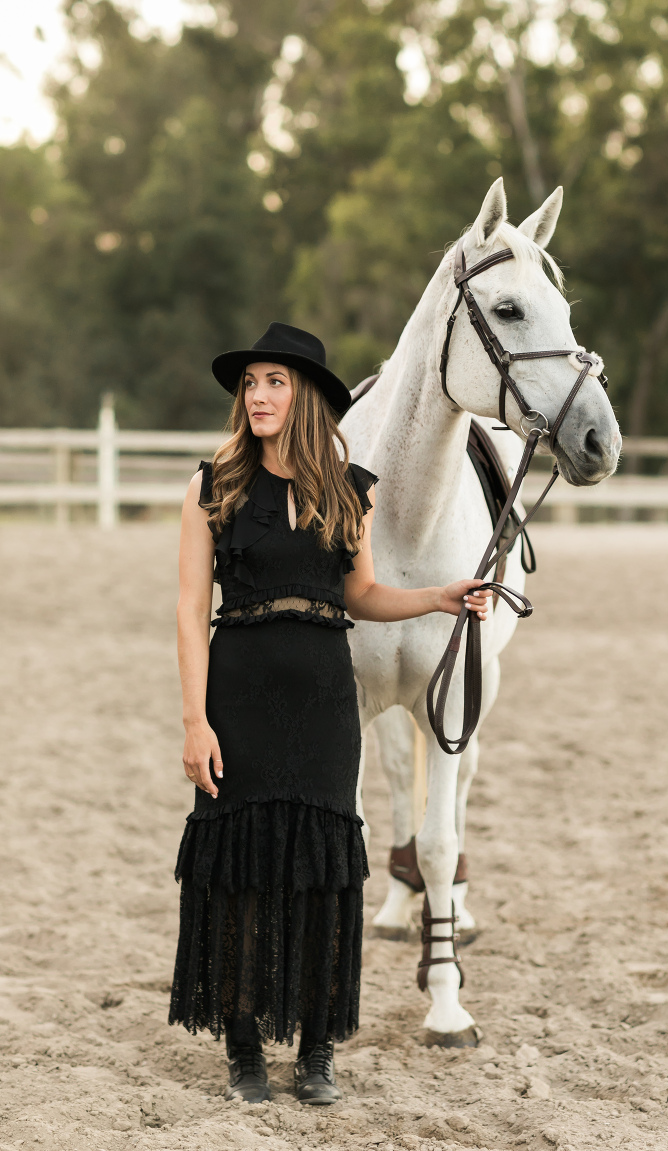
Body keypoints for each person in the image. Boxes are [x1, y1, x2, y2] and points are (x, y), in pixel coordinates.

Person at [168, 322, 491, 1105]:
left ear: (307, 397)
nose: (258, 395)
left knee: (321, 871)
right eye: (251, 383)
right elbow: (186, 609)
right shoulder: (212, 485)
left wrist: (439, 596)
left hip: (323, 695)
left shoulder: (351, 489)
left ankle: (317, 1048)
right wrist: (193, 721)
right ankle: (244, 1043)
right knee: (241, 869)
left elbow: (362, 594)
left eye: (275, 381)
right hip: (238, 691)